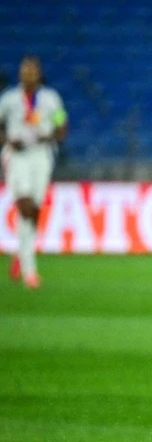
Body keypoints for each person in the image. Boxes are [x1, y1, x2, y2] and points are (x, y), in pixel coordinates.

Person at [1, 55, 68, 289]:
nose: (28, 74)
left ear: (39, 73)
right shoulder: (9, 99)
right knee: (25, 206)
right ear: (20, 73)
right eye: (25, 71)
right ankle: (29, 270)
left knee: (35, 210)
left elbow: (61, 123)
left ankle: (20, 253)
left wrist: (51, 136)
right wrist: (8, 140)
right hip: (17, 155)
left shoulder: (50, 99)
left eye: (32, 71)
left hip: (41, 155)